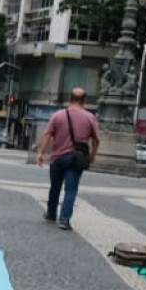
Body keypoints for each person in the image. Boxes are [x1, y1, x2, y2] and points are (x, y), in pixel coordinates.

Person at [37, 87, 99, 230]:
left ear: (70, 98)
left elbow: (48, 135)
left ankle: (51, 214)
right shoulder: (90, 117)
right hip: (77, 159)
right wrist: (92, 155)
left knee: (55, 186)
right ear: (84, 100)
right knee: (71, 189)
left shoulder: (58, 115)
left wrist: (41, 153)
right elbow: (96, 139)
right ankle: (64, 220)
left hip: (58, 157)